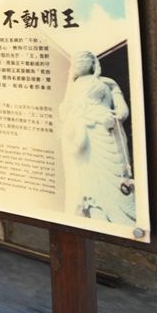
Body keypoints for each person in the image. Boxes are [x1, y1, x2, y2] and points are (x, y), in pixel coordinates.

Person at [58, 50, 136, 225]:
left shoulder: (107, 83)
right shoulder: (73, 87)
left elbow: (122, 108)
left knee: (112, 174)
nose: (80, 63)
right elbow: (65, 109)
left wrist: (117, 116)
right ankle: (90, 206)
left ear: (94, 64)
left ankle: (116, 210)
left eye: (85, 59)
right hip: (79, 131)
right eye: (77, 61)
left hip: (103, 128)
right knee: (83, 174)